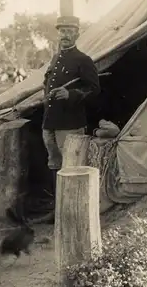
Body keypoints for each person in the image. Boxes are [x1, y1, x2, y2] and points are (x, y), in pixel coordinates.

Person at [37, 15, 100, 223]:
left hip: (70, 123)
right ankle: (58, 210)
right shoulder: (55, 58)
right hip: (50, 122)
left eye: (69, 31)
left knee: (71, 167)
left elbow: (94, 89)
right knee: (55, 164)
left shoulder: (83, 60)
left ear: (77, 34)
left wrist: (71, 95)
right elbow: (47, 81)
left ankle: (72, 214)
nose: (65, 35)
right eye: (62, 31)